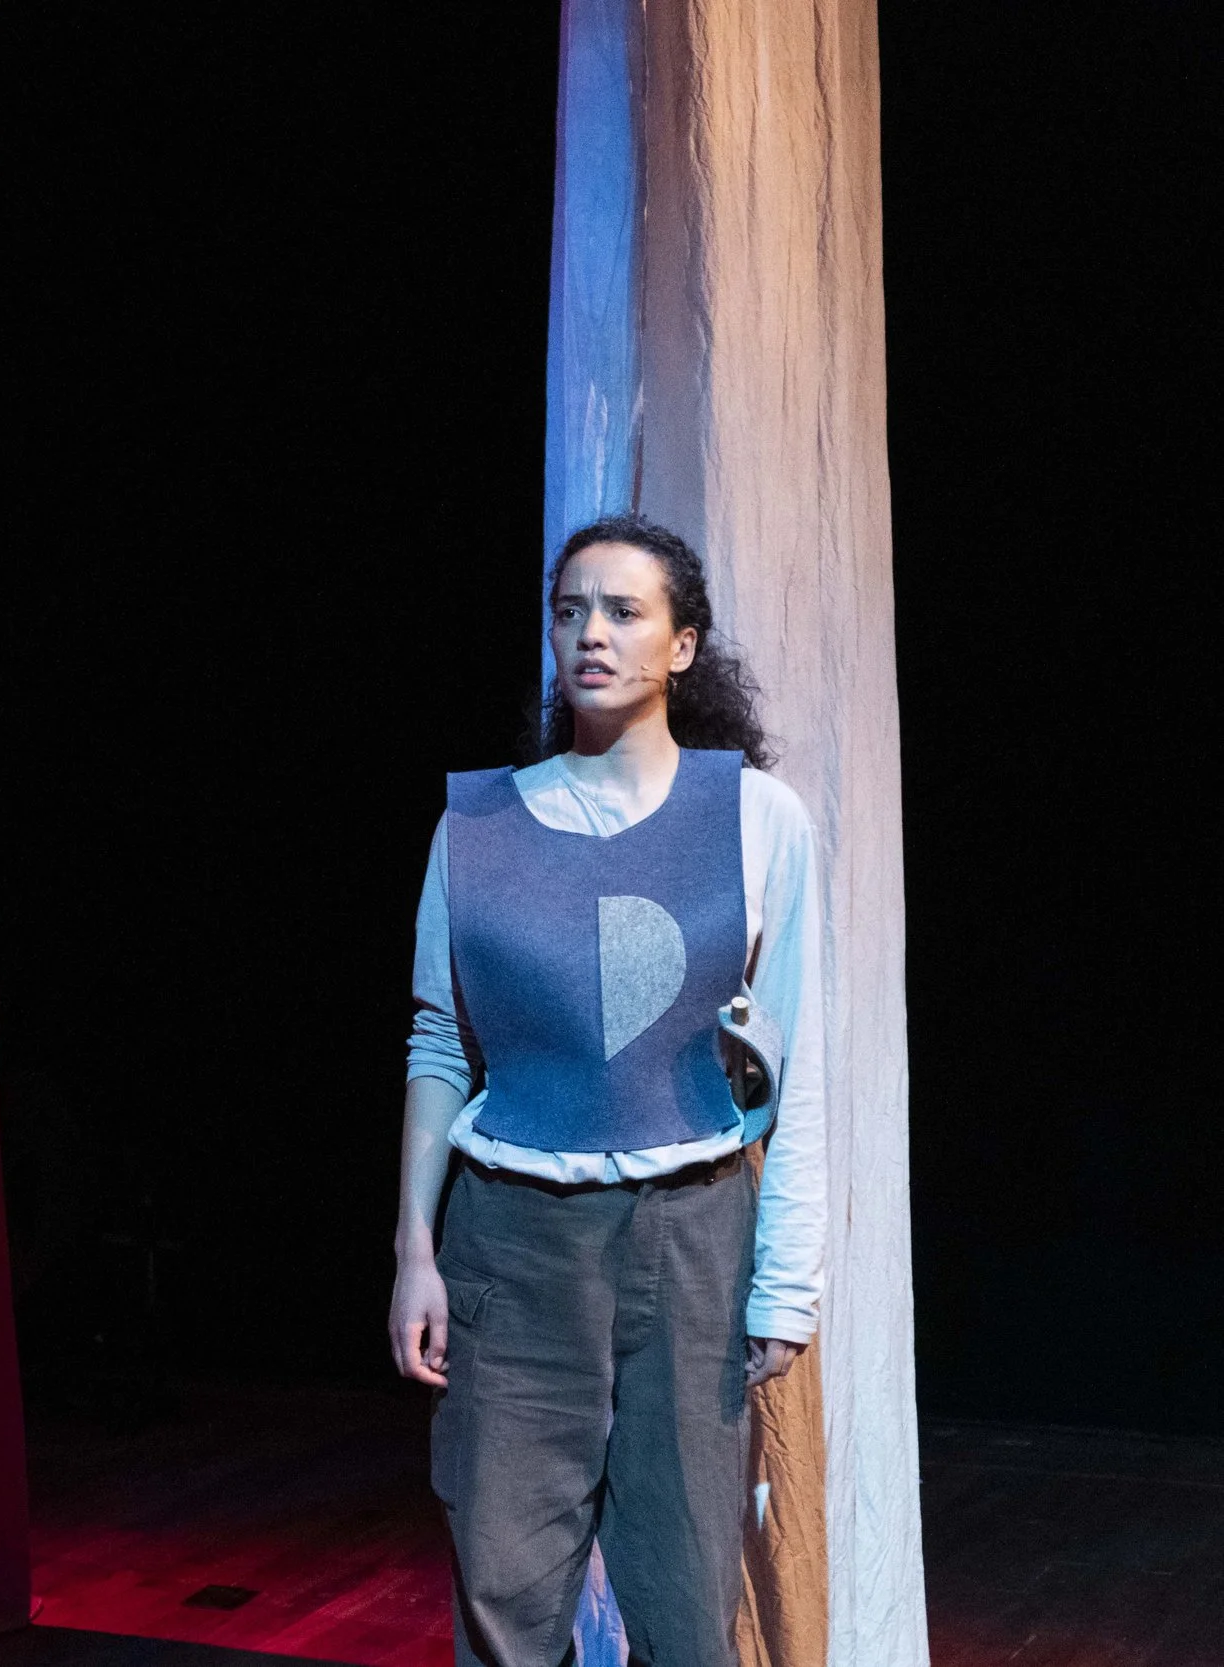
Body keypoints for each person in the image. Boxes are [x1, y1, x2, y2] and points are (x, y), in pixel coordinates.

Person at [388, 515, 826, 1667]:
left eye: (625, 611)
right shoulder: (473, 823)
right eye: (570, 608)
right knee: (503, 1587)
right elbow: (440, 1040)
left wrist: (786, 1282)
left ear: (682, 645)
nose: (591, 632)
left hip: (688, 1235)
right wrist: (413, 1252)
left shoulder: (755, 819)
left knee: (684, 1602)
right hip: (511, 1242)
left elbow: (801, 1063)